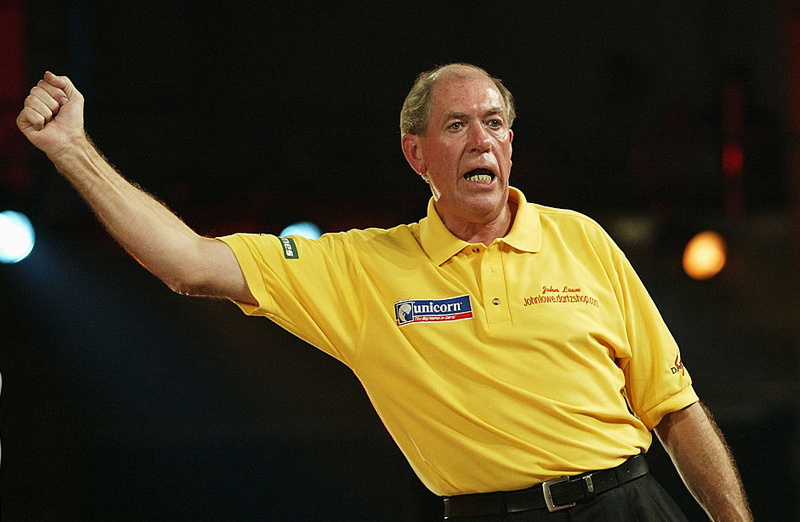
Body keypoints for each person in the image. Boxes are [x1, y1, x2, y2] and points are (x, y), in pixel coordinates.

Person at [17, 64, 753, 521]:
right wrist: (72, 150)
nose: (481, 140)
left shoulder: (582, 238)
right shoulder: (363, 267)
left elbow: (674, 406)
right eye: (457, 125)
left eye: (495, 123)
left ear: (510, 145)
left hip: (629, 504)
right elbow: (188, 263)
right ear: (416, 154)